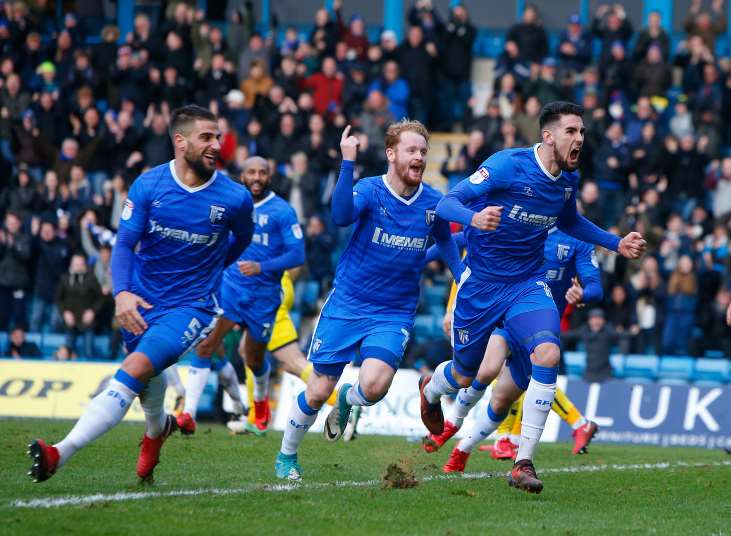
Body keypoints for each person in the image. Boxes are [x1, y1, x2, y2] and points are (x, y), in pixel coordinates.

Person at [424, 101, 646, 493]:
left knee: (548, 353)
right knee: (465, 374)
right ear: (548, 136)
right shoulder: (508, 165)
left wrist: (615, 243)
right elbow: (445, 204)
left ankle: (523, 461)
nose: (579, 139)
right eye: (571, 132)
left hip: (527, 284)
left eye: (582, 132)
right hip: (481, 286)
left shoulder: (567, 181)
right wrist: (474, 218)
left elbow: (569, 220)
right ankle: (430, 389)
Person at [27, 104, 254, 484]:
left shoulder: (234, 198)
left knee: (134, 370)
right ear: (180, 142)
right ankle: (158, 430)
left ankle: (57, 454)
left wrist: (212, 269)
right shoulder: (149, 185)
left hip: (191, 306)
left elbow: (242, 240)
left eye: (218, 137)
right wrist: (121, 294)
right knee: (147, 379)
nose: (216, 144)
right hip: (141, 301)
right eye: (207, 137)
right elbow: (124, 245)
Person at [274, 120, 462, 481]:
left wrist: (462, 276)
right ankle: (287, 456)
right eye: (412, 150)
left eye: (423, 151)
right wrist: (347, 162)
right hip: (348, 303)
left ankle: (349, 399)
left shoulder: (433, 201)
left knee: (374, 387)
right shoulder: (370, 190)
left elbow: (447, 242)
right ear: (391, 154)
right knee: (316, 391)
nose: (419, 157)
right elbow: (341, 216)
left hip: (394, 311)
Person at [422, 228, 603, 459]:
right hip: (507, 318)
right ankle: (450, 425)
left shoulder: (577, 238)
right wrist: (418, 258)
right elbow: (461, 244)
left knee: (502, 400)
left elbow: (596, 288)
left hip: (540, 331)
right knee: (486, 370)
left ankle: (463, 449)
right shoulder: (517, 219)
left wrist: (584, 294)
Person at [177, 155, 305, 435]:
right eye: (251, 172)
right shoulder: (232, 203)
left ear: (269, 176)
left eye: (262, 172)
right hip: (229, 289)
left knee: (254, 359)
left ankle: (259, 407)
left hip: (264, 297)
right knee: (206, 344)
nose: (256, 177)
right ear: (242, 175)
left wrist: (262, 266)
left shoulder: (282, 211)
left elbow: (298, 254)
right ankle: (188, 413)